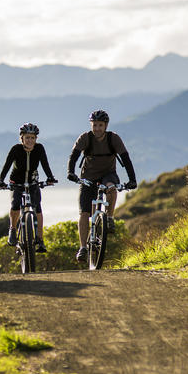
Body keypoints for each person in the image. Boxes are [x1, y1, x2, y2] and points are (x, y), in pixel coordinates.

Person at [67, 109, 137, 262]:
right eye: (94, 125)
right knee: (84, 213)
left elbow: (126, 159)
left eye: (100, 125)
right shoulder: (85, 138)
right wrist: (71, 172)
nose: (97, 128)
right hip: (88, 177)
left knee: (111, 187)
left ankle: (110, 217)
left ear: (106, 126)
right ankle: (83, 248)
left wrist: (132, 179)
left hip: (108, 174)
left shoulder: (114, 139)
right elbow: (74, 156)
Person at [0, 123, 57, 253]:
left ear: (36, 139)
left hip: (32, 181)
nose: (30, 140)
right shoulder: (16, 149)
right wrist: (1, 180)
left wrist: (50, 177)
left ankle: (40, 240)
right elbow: (6, 165)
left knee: (38, 208)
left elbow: (45, 164)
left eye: (32, 138)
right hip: (16, 181)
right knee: (15, 204)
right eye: (27, 137)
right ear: (22, 138)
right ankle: (12, 230)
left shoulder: (39, 149)